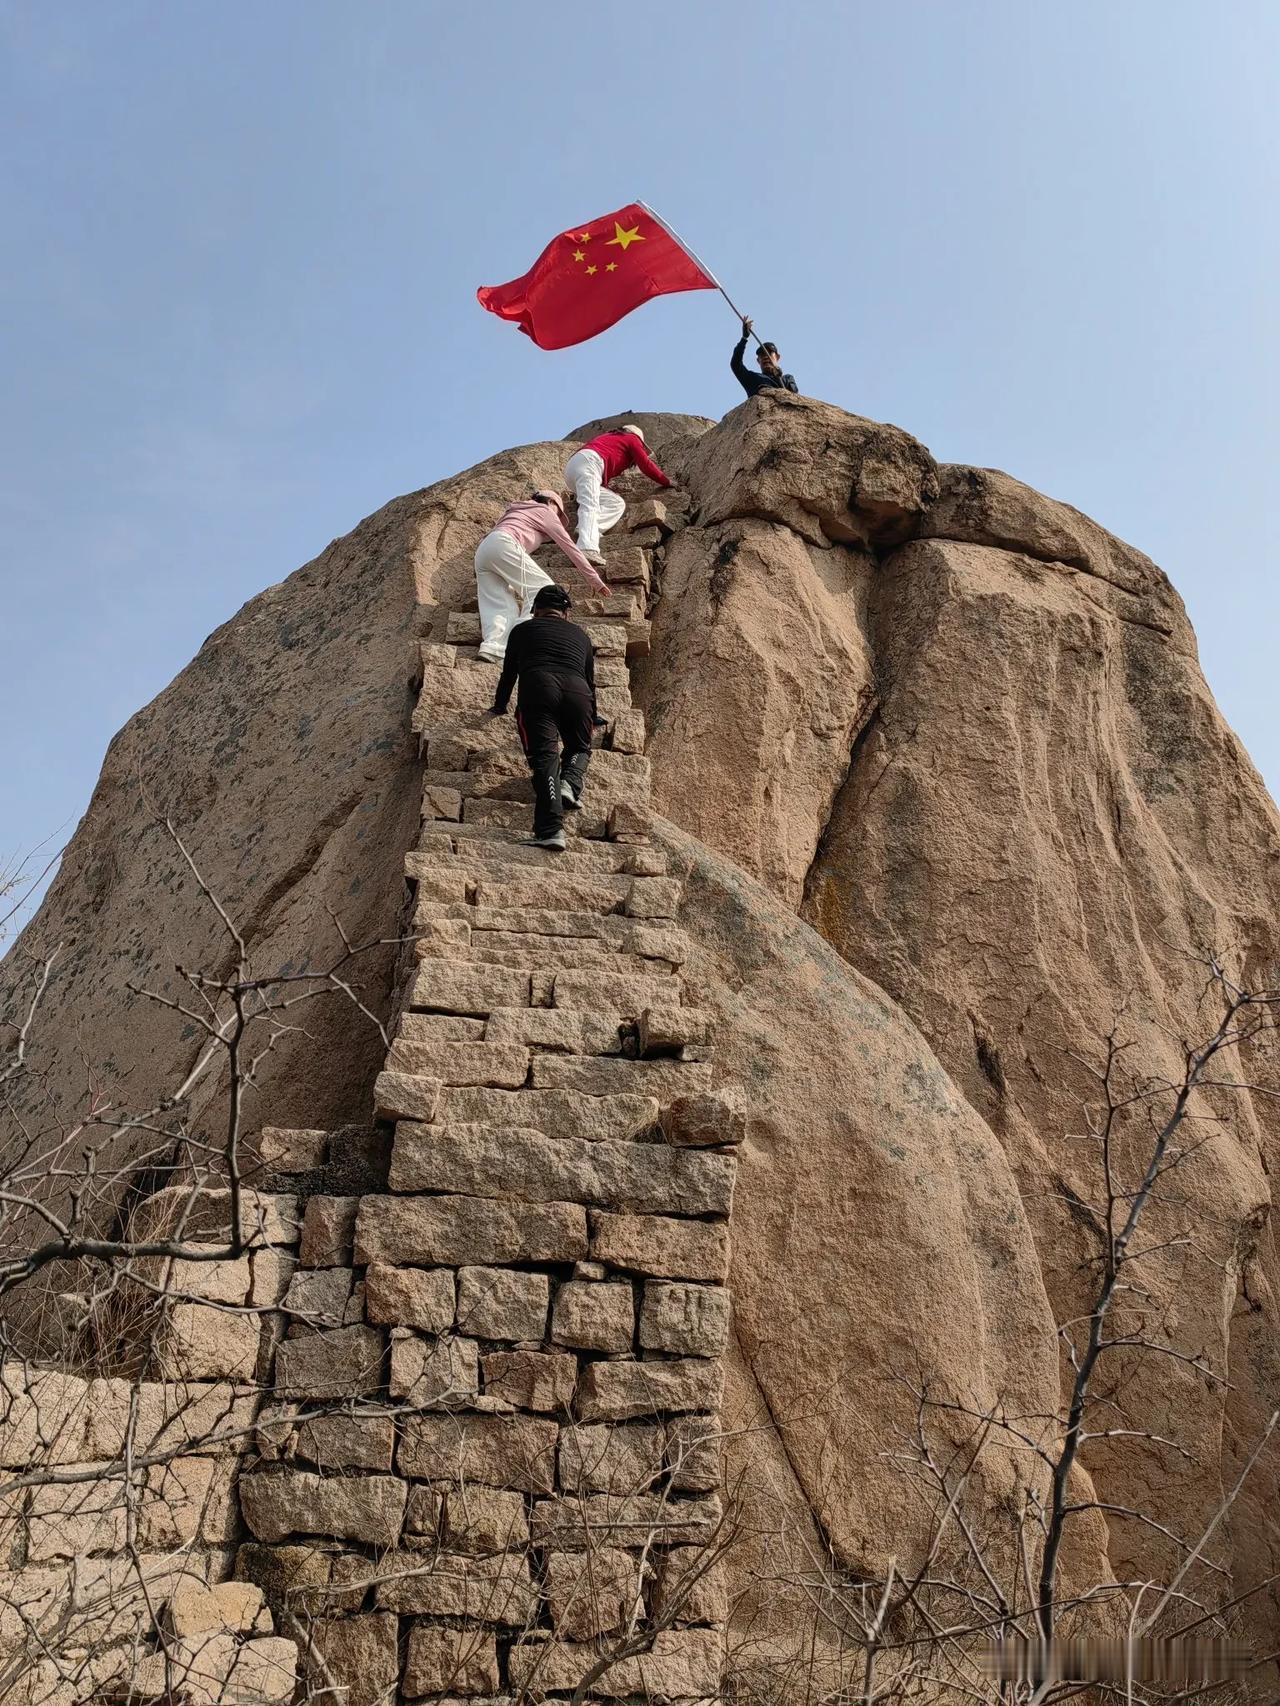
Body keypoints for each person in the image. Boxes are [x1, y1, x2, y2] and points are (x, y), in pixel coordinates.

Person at [489, 584, 596, 851]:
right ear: (566, 613)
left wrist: (499, 706)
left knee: (545, 757)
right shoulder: (582, 636)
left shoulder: (523, 630)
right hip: (579, 694)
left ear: (535, 610)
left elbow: (509, 674)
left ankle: (551, 829)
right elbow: (591, 682)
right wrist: (594, 715)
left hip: (539, 689)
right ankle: (569, 782)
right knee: (580, 746)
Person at [473, 491, 607, 664]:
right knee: (544, 590)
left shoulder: (516, 510)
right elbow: (570, 548)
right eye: (558, 512)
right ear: (551, 502)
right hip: (504, 543)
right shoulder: (545, 511)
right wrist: (594, 580)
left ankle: (493, 648)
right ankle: (520, 641)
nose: (557, 517)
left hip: (484, 550)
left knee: (498, 603)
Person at [563, 424, 671, 565]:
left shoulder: (611, 439)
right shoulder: (632, 438)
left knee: (615, 503)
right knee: (590, 504)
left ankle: (589, 528)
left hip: (574, 469)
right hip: (590, 463)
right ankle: (586, 547)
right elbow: (646, 464)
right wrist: (666, 481)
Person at [731, 316, 798, 398]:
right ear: (758, 360)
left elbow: (794, 398)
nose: (766, 357)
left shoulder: (787, 379)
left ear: (778, 357)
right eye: (762, 355)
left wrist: (778, 377)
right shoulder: (753, 378)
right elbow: (735, 364)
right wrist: (744, 338)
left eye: (769, 353)